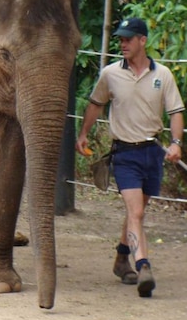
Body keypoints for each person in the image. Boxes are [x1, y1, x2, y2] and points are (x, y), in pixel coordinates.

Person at [76, 17, 184, 298]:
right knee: (135, 211)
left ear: (142, 41)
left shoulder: (164, 75)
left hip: (152, 151)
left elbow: (175, 113)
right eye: (120, 39)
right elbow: (96, 104)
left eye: (127, 39)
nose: (122, 43)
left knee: (137, 210)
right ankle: (143, 267)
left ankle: (122, 257)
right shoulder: (111, 74)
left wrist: (175, 143)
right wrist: (83, 133)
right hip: (124, 152)